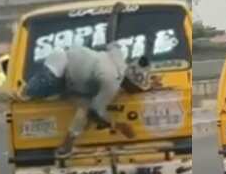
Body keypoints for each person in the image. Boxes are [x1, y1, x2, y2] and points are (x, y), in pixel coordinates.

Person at [18, 41, 152, 156]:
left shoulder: (121, 62)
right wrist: (118, 126)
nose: (135, 93)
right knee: (34, 92)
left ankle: (67, 144)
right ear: (129, 82)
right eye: (135, 89)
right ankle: (25, 90)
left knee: (83, 111)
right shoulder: (111, 83)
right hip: (62, 63)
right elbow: (95, 113)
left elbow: (113, 45)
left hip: (76, 86)